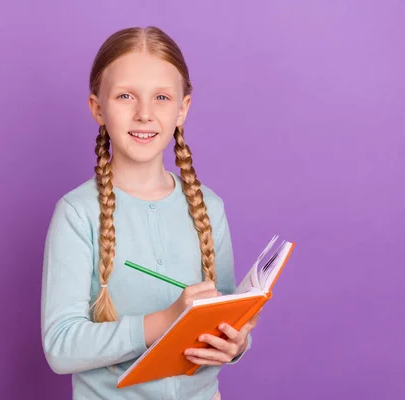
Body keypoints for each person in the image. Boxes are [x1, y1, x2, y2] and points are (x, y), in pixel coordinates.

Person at [41, 26, 259, 400]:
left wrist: (236, 344)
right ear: (98, 108)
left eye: (161, 97)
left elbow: (223, 316)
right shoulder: (77, 213)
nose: (144, 113)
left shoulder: (208, 206)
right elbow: (60, 347)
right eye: (126, 96)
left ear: (182, 109)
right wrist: (165, 320)